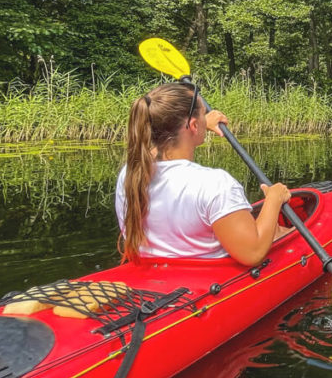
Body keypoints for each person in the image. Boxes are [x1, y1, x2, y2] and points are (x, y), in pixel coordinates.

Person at [115, 82, 292, 266]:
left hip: (155, 278)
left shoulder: (130, 173)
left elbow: (161, 148)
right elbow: (252, 254)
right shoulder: (215, 184)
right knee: (281, 232)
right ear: (192, 125)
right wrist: (274, 198)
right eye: (202, 115)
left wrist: (201, 124)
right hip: (206, 283)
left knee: (276, 230)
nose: (205, 119)